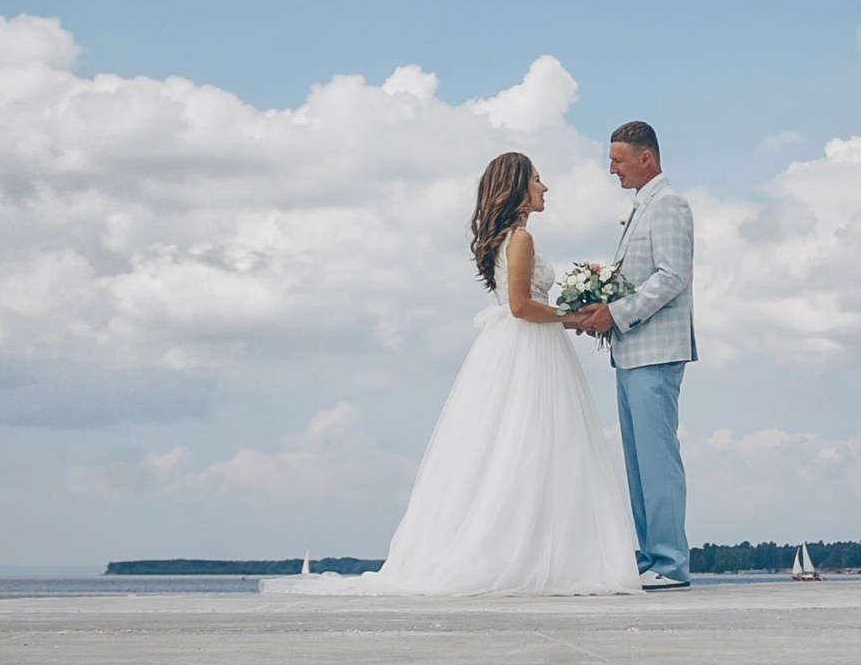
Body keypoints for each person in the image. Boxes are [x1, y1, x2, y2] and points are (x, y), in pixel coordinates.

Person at [266, 152, 640, 596]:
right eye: (538, 180)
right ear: (519, 188)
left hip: (522, 347)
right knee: (531, 444)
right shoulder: (520, 240)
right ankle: (530, 554)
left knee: (526, 448)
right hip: (528, 348)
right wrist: (574, 317)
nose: (545, 187)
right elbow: (520, 306)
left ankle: (538, 550)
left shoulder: (511, 239)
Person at [563, 123, 695, 592]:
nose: (611, 169)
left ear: (647, 157)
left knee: (657, 458)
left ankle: (671, 561)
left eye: (618, 160)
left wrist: (615, 313)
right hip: (632, 352)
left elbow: (672, 276)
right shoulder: (643, 208)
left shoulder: (670, 205)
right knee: (638, 460)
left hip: (655, 350)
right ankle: (652, 555)